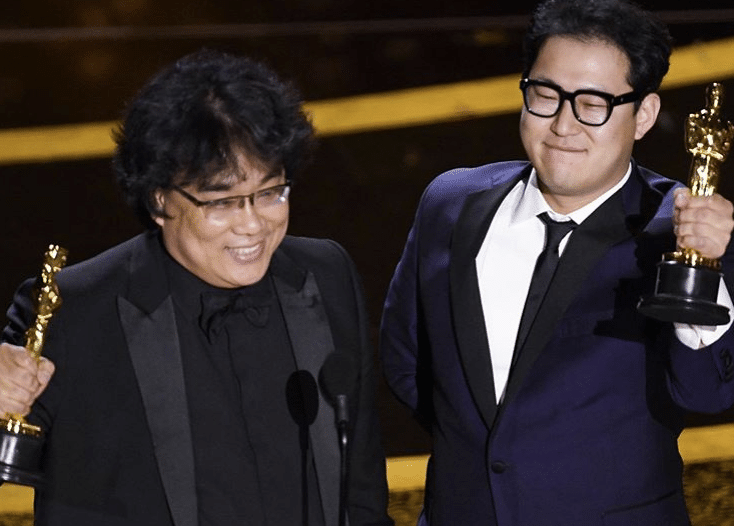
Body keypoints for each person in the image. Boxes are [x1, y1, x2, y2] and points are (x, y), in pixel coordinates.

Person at [0, 49, 393, 526]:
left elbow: (362, 488)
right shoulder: (73, 311)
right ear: (159, 199)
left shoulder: (327, 274)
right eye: (222, 202)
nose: (253, 224)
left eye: (270, 193)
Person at [379, 0, 734, 525]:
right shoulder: (450, 204)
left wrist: (704, 271)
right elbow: (405, 359)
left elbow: (707, 391)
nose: (564, 125)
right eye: (546, 96)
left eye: (593, 104)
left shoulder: (681, 228)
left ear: (644, 115)